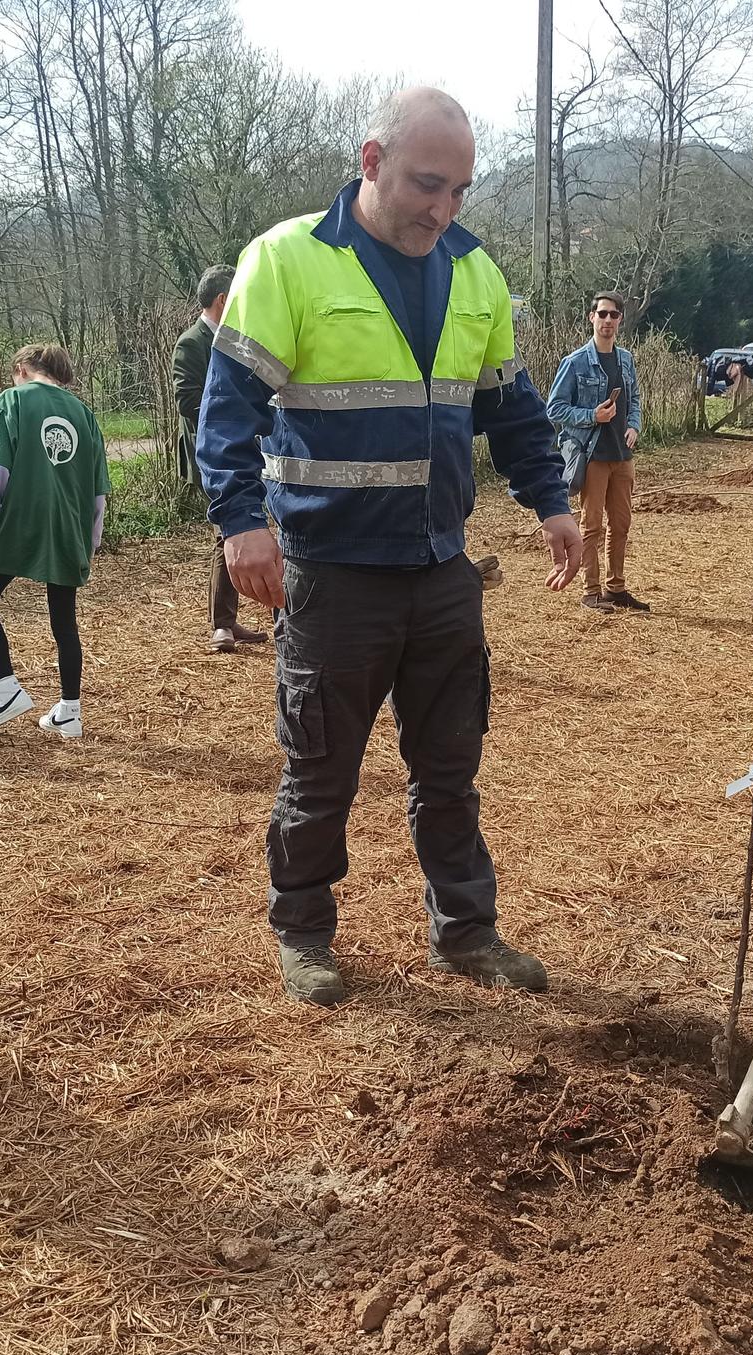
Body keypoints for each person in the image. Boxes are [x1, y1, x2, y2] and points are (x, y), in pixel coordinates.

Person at [199, 86, 584, 1008]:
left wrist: (552, 503)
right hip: (332, 576)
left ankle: (466, 931)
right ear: (370, 161)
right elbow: (227, 412)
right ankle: (303, 931)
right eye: (425, 183)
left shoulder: (475, 270)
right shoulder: (288, 260)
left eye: (458, 190)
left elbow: (515, 410)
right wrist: (241, 524)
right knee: (321, 767)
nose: (441, 208)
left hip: (442, 570)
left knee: (451, 768)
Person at [0, 343, 110, 738]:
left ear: (23, 370)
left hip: (20, 521)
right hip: (68, 526)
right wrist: (90, 540)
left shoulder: (12, 401)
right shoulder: (84, 414)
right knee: (63, 618)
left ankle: (8, 688)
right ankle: (70, 711)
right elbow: (99, 489)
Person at [175, 264, 266, 654]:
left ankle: (236, 622)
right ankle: (223, 626)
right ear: (223, 301)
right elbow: (186, 400)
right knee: (227, 532)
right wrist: (234, 415)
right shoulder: (192, 343)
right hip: (213, 457)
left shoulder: (240, 339)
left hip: (249, 452)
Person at [546, 290, 646, 611]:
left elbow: (635, 400)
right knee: (592, 526)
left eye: (613, 315)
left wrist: (634, 425)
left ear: (620, 320)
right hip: (591, 457)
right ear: (591, 317)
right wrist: (592, 416)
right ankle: (591, 592)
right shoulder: (574, 362)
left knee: (621, 525)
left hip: (622, 456)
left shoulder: (626, 359)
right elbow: (555, 408)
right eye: (601, 314)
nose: (607, 320)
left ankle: (616, 588)